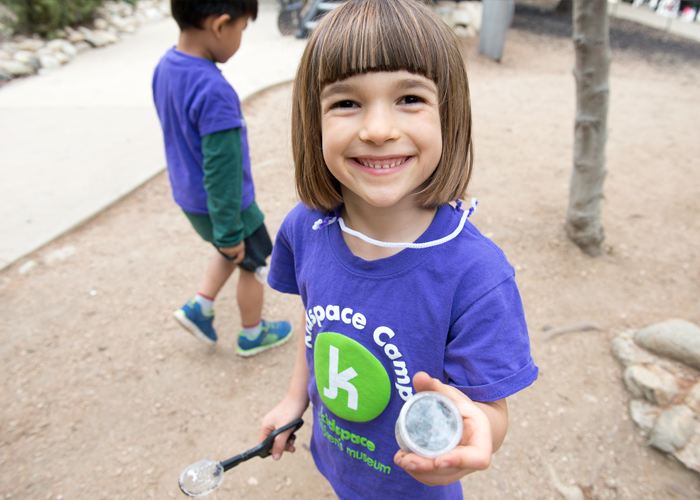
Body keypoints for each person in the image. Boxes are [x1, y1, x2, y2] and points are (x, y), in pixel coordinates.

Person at [258, 0, 538, 498]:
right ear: (311, 120)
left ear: (448, 116)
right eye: (346, 103)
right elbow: (317, 319)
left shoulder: (477, 276)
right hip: (338, 465)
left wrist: (475, 441)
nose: (379, 129)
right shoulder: (305, 227)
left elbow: (489, 411)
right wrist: (293, 400)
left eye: (409, 97)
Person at [152, 0, 292, 357]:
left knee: (229, 251)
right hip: (227, 205)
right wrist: (230, 227)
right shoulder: (214, 91)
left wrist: (225, 236)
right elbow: (223, 169)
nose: (240, 38)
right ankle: (252, 333)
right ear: (220, 25)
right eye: (242, 29)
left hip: (192, 198)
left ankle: (200, 307)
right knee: (253, 262)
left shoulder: (166, 66)